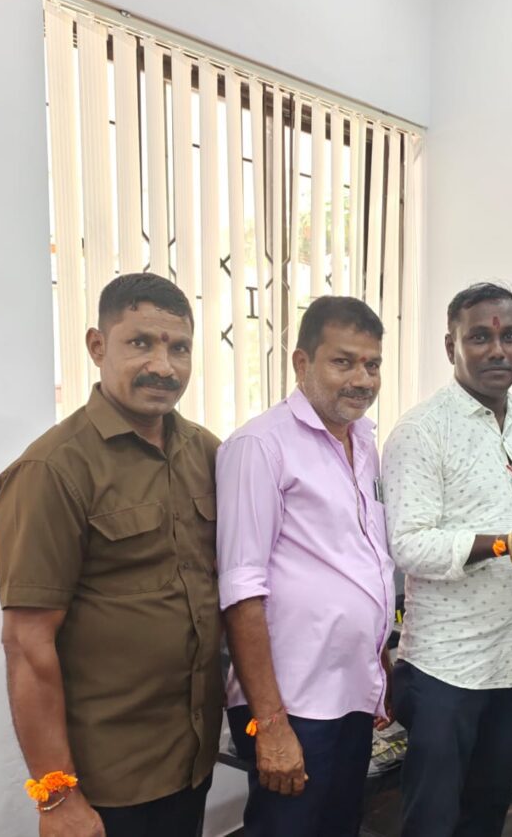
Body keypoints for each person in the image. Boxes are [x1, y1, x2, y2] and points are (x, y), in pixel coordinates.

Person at [0, 273, 222, 836]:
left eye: (179, 348)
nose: (163, 366)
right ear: (97, 346)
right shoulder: (52, 470)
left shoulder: (208, 453)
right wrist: (56, 798)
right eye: (140, 343)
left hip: (191, 755)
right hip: (108, 775)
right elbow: (27, 644)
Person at [381, 283, 512, 837]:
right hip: (449, 669)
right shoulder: (420, 432)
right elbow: (409, 545)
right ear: (451, 346)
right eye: (480, 337)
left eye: (510, 336)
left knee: (488, 809)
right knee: (433, 818)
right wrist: (506, 544)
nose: (497, 350)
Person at [218, 296, 396, 837]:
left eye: (372, 364)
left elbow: (360, 562)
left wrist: (379, 665)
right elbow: (241, 589)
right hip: (291, 701)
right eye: (343, 362)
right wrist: (271, 723)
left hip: (349, 689)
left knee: (340, 824)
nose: (362, 379)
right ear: (301, 363)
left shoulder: (363, 440)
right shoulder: (260, 445)